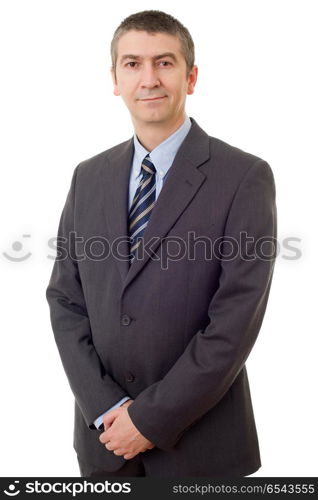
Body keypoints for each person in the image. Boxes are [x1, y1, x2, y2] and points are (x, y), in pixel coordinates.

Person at [46, 9, 277, 478]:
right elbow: (65, 300)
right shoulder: (88, 176)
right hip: (104, 445)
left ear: (191, 77)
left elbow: (234, 322)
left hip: (201, 452)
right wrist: (106, 405)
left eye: (164, 63)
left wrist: (148, 420)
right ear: (115, 79)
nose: (148, 78)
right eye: (132, 64)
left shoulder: (244, 177)